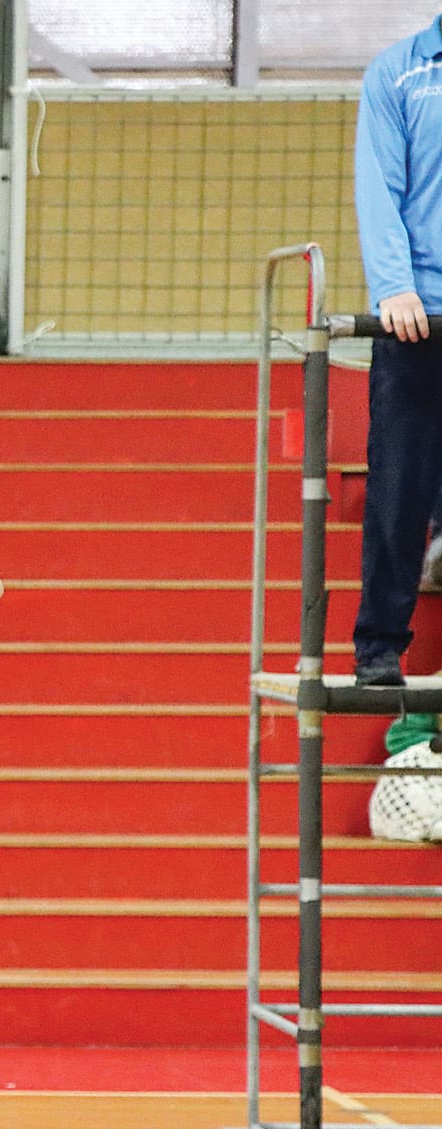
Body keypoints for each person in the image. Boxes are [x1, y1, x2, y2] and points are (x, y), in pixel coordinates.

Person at [351, 16, 442, 687]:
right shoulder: (398, 71)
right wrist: (392, 286)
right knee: (397, 489)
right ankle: (378, 645)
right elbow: (378, 185)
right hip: (418, 320)